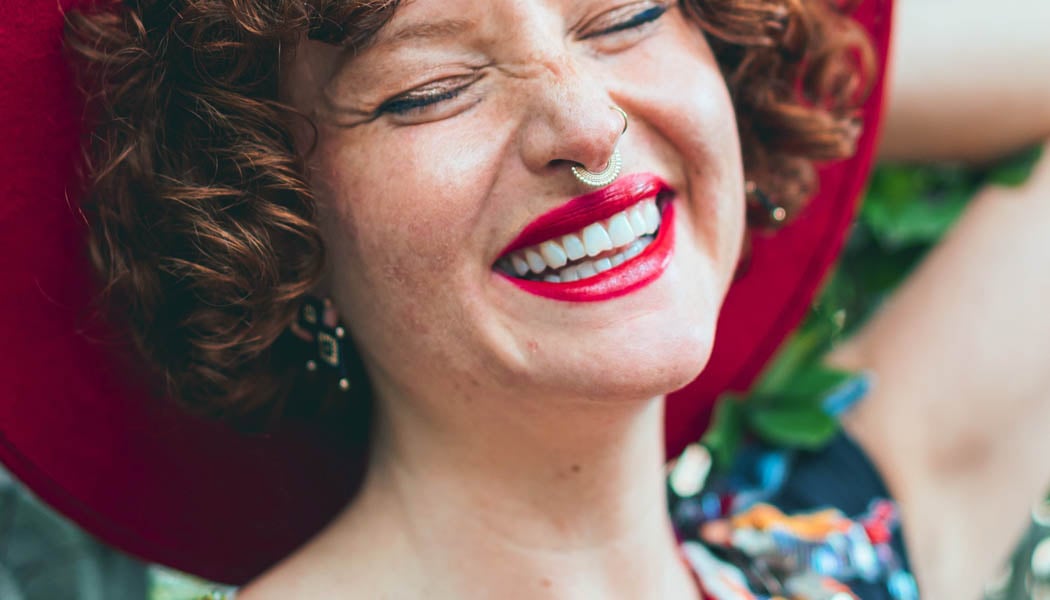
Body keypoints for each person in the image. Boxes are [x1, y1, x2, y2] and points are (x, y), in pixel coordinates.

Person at [1, 0, 1048, 598]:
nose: (586, 124)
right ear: (268, 214)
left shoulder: (834, 560)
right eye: (428, 89)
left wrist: (767, 68)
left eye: (629, 12)